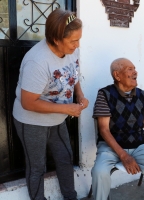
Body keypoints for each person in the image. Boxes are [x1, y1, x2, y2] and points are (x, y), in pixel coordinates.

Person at [12, 9, 89, 200]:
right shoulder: (37, 61)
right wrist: (65, 108)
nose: (77, 45)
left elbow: (74, 73)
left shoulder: (72, 51)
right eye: (73, 41)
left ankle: (70, 196)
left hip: (57, 118)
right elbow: (28, 102)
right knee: (37, 167)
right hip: (31, 121)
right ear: (56, 39)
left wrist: (79, 94)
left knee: (65, 158)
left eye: (79, 39)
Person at [91, 58, 144, 200]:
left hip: (138, 145)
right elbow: (104, 130)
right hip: (111, 147)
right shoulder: (104, 94)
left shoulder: (142, 94)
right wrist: (124, 156)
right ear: (117, 75)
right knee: (99, 172)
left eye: (135, 68)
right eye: (130, 69)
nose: (135, 72)